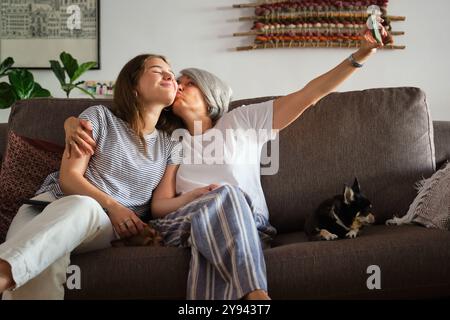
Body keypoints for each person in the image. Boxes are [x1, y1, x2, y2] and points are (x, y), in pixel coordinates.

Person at [62, 27, 388, 300]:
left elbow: (309, 94)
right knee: (220, 198)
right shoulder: (173, 143)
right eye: (177, 81)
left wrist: (358, 56)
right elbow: (160, 206)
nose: (177, 85)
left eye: (187, 83)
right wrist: (196, 196)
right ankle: (257, 298)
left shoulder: (242, 120)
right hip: (183, 225)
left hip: (248, 224)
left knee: (222, 212)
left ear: (209, 93)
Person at [0, 54, 189, 299]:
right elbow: (69, 179)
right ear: (132, 87)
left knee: (84, 206)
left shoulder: (171, 146)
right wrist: (114, 205)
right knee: (42, 263)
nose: (169, 76)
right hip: (41, 210)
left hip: (100, 227)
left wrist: (120, 215)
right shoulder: (100, 117)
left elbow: (159, 204)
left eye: (171, 73)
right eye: (156, 70)